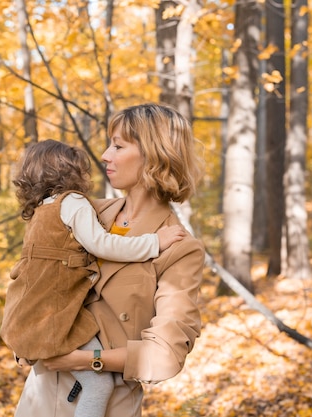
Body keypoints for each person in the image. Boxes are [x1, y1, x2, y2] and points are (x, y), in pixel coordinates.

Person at [12, 103, 205, 417]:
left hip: (106, 404)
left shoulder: (179, 247)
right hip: (40, 396)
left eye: (118, 145)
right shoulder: (85, 212)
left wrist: (87, 360)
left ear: (154, 155)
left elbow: (167, 354)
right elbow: (32, 272)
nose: (104, 154)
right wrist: (24, 340)